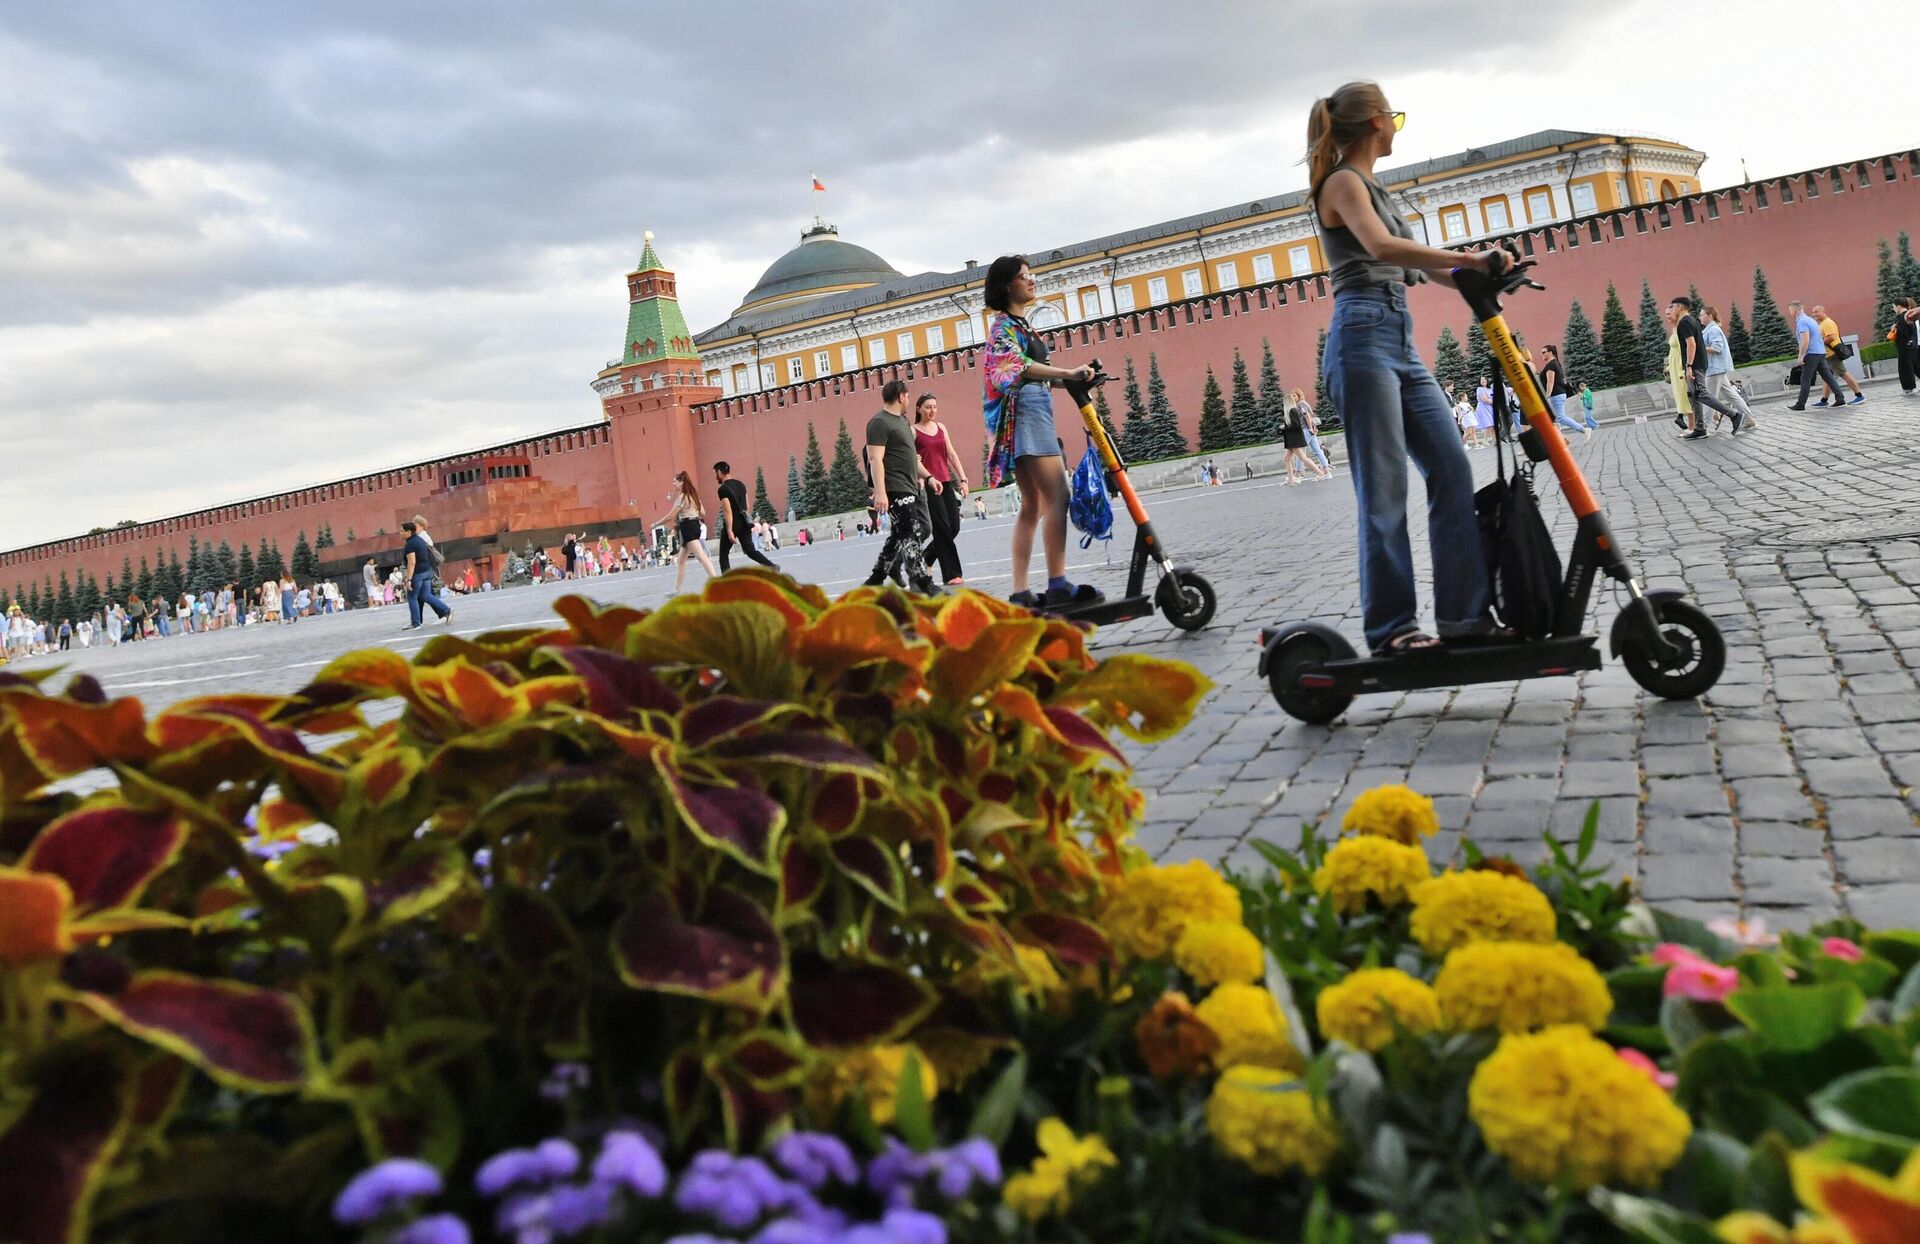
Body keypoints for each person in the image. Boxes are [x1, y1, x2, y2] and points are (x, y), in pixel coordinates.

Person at [1308, 81, 1509, 655]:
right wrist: (1467, 259)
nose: (1396, 125)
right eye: (1393, 116)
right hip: (1362, 339)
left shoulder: (1375, 187)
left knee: (1451, 468)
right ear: (1375, 121)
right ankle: (1392, 629)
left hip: (1398, 338)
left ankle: (1465, 619)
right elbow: (1379, 249)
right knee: (1384, 492)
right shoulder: (1343, 183)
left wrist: (1482, 272)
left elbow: (1422, 268)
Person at [981, 255, 1101, 608]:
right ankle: (1058, 583)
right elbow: (1015, 369)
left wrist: (1079, 378)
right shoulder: (1002, 328)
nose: (1032, 281)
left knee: (1032, 504)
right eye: (1024, 276)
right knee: (1058, 496)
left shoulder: (1022, 326)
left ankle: (1020, 592)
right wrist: (1066, 373)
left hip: (1034, 413)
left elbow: (1037, 371)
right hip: (1026, 417)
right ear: (1007, 286)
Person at [863, 379, 941, 593]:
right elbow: (875, 459)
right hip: (895, 487)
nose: (908, 399)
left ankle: (876, 579)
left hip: (910, 485)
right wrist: (880, 493)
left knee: (898, 534)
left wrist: (929, 476)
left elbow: (912, 458)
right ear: (900, 396)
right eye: (907, 396)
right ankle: (921, 580)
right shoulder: (879, 423)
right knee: (911, 532)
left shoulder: (903, 422)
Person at [913, 393, 970, 585]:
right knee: (942, 528)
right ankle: (952, 574)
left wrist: (963, 479)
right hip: (929, 484)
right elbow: (909, 458)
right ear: (918, 408)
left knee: (954, 526)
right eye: (928, 407)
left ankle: (928, 556)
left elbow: (952, 454)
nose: (932, 410)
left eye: (934, 407)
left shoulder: (941, 427)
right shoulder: (913, 431)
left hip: (946, 481)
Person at [1669, 297, 1743, 438]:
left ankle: (1734, 416)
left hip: (1695, 364)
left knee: (1701, 394)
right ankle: (1700, 428)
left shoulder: (1684, 323)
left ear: (1681, 307)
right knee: (1694, 395)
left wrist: (1689, 366)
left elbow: (1691, 344)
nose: (1671, 310)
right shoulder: (1692, 321)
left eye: (1673, 307)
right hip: (1698, 363)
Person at [654, 470, 719, 594]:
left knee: (701, 557)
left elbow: (670, 517)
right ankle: (676, 590)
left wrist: (656, 524)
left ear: (681, 482)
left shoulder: (682, 497)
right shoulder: (693, 495)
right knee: (681, 560)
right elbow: (703, 512)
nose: (673, 484)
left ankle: (716, 583)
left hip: (687, 526)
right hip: (693, 524)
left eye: (674, 481)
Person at [1785, 299, 1854, 412]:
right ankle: (1840, 398)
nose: (1789, 311)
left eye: (1790, 309)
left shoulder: (1801, 322)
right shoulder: (1811, 320)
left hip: (1811, 353)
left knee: (1805, 378)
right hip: (1821, 352)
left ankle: (1800, 404)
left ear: (1794, 309)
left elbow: (1805, 340)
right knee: (1828, 377)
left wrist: (1800, 355)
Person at [713, 461, 779, 573]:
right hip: (744, 523)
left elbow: (727, 510)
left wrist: (729, 530)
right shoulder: (741, 485)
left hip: (733, 523)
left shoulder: (723, 489)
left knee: (723, 555)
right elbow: (747, 506)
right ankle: (771, 566)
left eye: (715, 473)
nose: (715, 477)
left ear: (719, 472)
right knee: (750, 550)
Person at [1699, 306, 1756, 430]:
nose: (1700, 317)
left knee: (1709, 397)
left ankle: (1703, 427)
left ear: (1709, 316)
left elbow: (1716, 349)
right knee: (1731, 395)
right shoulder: (1710, 329)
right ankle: (1749, 418)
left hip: (1715, 369)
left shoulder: (1713, 330)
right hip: (1716, 368)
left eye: (1702, 315)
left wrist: (1699, 348)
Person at [1810, 304, 1865, 405]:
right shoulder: (1823, 323)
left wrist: (1818, 343)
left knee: (1843, 373)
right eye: (1813, 312)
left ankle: (1859, 396)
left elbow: (1831, 337)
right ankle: (1824, 400)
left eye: (1816, 312)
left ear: (1823, 311)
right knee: (1827, 377)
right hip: (1828, 355)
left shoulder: (1827, 323)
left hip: (1832, 354)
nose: (1814, 314)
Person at [1535, 345, 1589, 438]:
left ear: (1550, 352)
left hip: (1555, 395)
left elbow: (1550, 382)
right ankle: (1561, 438)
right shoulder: (1556, 363)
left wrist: (1547, 396)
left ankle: (1583, 430)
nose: (1542, 354)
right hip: (1559, 394)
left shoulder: (1551, 365)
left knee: (1560, 417)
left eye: (1544, 352)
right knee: (1553, 418)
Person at [1282, 390, 1331, 482]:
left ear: (1299, 396)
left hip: (1305, 431)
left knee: (1302, 455)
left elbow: (1307, 417)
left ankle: (1299, 474)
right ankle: (1326, 472)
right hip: (1307, 430)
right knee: (1315, 452)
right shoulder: (1298, 406)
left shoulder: (1300, 404)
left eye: (1294, 395)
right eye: (1292, 396)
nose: (1293, 398)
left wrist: (1310, 429)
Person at [1890, 297, 1920, 397]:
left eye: (1894, 307)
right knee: (1915, 366)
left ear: (1899, 306)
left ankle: (1908, 388)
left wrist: (1895, 329)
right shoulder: (1909, 315)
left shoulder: (1903, 317)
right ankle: (1909, 388)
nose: (1894, 309)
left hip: (1905, 346)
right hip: (1912, 344)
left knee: (1905, 367)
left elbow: (1904, 332)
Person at [1472, 376, 1495, 445]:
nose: (1483, 381)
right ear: (1479, 382)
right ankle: (1485, 440)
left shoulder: (1489, 388)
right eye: (1481, 380)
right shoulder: (1480, 389)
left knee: (1493, 424)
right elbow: (1485, 400)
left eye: (1484, 379)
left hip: (1490, 408)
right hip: (1483, 408)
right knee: (1489, 424)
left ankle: (1495, 440)